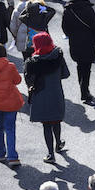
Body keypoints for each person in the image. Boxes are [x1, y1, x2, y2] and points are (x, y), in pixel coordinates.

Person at [24, 32, 69, 163]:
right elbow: (65, 74)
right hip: (56, 92)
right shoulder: (58, 56)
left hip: (40, 95)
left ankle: (50, 154)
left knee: (46, 124)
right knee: (56, 120)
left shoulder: (32, 62)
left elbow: (29, 81)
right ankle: (59, 143)